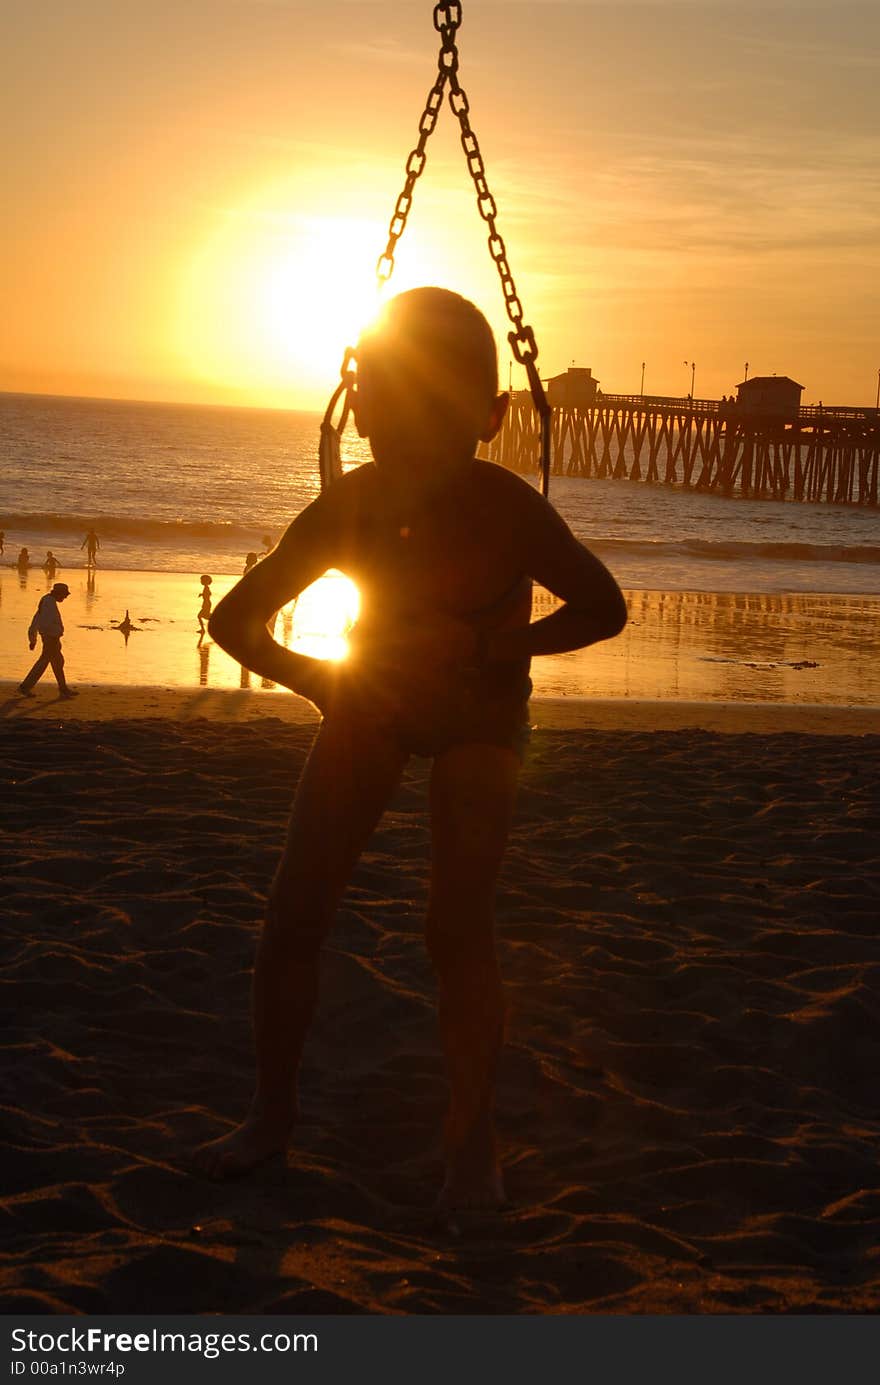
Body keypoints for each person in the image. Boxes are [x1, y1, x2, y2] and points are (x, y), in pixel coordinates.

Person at [194, 288, 627, 1209]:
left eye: (438, 405)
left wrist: (492, 647)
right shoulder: (352, 506)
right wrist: (322, 682)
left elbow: (604, 606)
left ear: (492, 415)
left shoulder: (507, 508)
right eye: (391, 402)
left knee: (455, 927)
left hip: (481, 716)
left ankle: (472, 1150)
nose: (414, 426)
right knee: (294, 915)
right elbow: (235, 618)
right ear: (360, 408)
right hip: (374, 708)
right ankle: (272, 1117)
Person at [19, 582, 78, 699]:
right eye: (64, 595)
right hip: (51, 638)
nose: (65, 597)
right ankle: (25, 687)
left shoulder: (47, 601)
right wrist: (38, 638)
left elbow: (36, 619)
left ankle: (63, 688)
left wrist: (33, 638)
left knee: (58, 662)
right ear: (59, 593)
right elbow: (45, 623)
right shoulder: (48, 603)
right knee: (44, 663)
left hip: (51, 638)